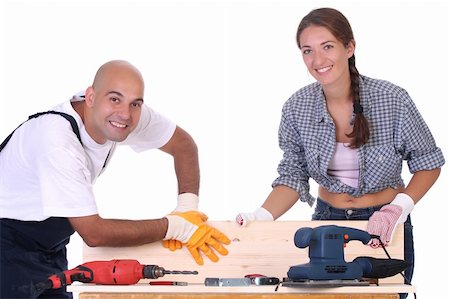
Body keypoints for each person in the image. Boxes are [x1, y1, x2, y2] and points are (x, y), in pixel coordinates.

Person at [235, 7, 444, 299]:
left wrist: (399, 207)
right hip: (325, 223)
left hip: (383, 224)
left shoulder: (392, 99)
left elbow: (428, 162)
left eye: (328, 47)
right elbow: (293, 176)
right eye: (307, 51)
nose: (318, 60)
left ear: (350, 47)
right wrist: (260, 215)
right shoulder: (297, 107)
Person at [0, 60, 230, 298]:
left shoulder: (122, 115)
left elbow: (183, 145)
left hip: (49, 245)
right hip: (7, 246)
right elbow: (94, 233)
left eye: (135, 103)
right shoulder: (56, 140)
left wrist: (187, 208)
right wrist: (176, 227)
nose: (125, 114)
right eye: (114, 99)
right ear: (90, 97)